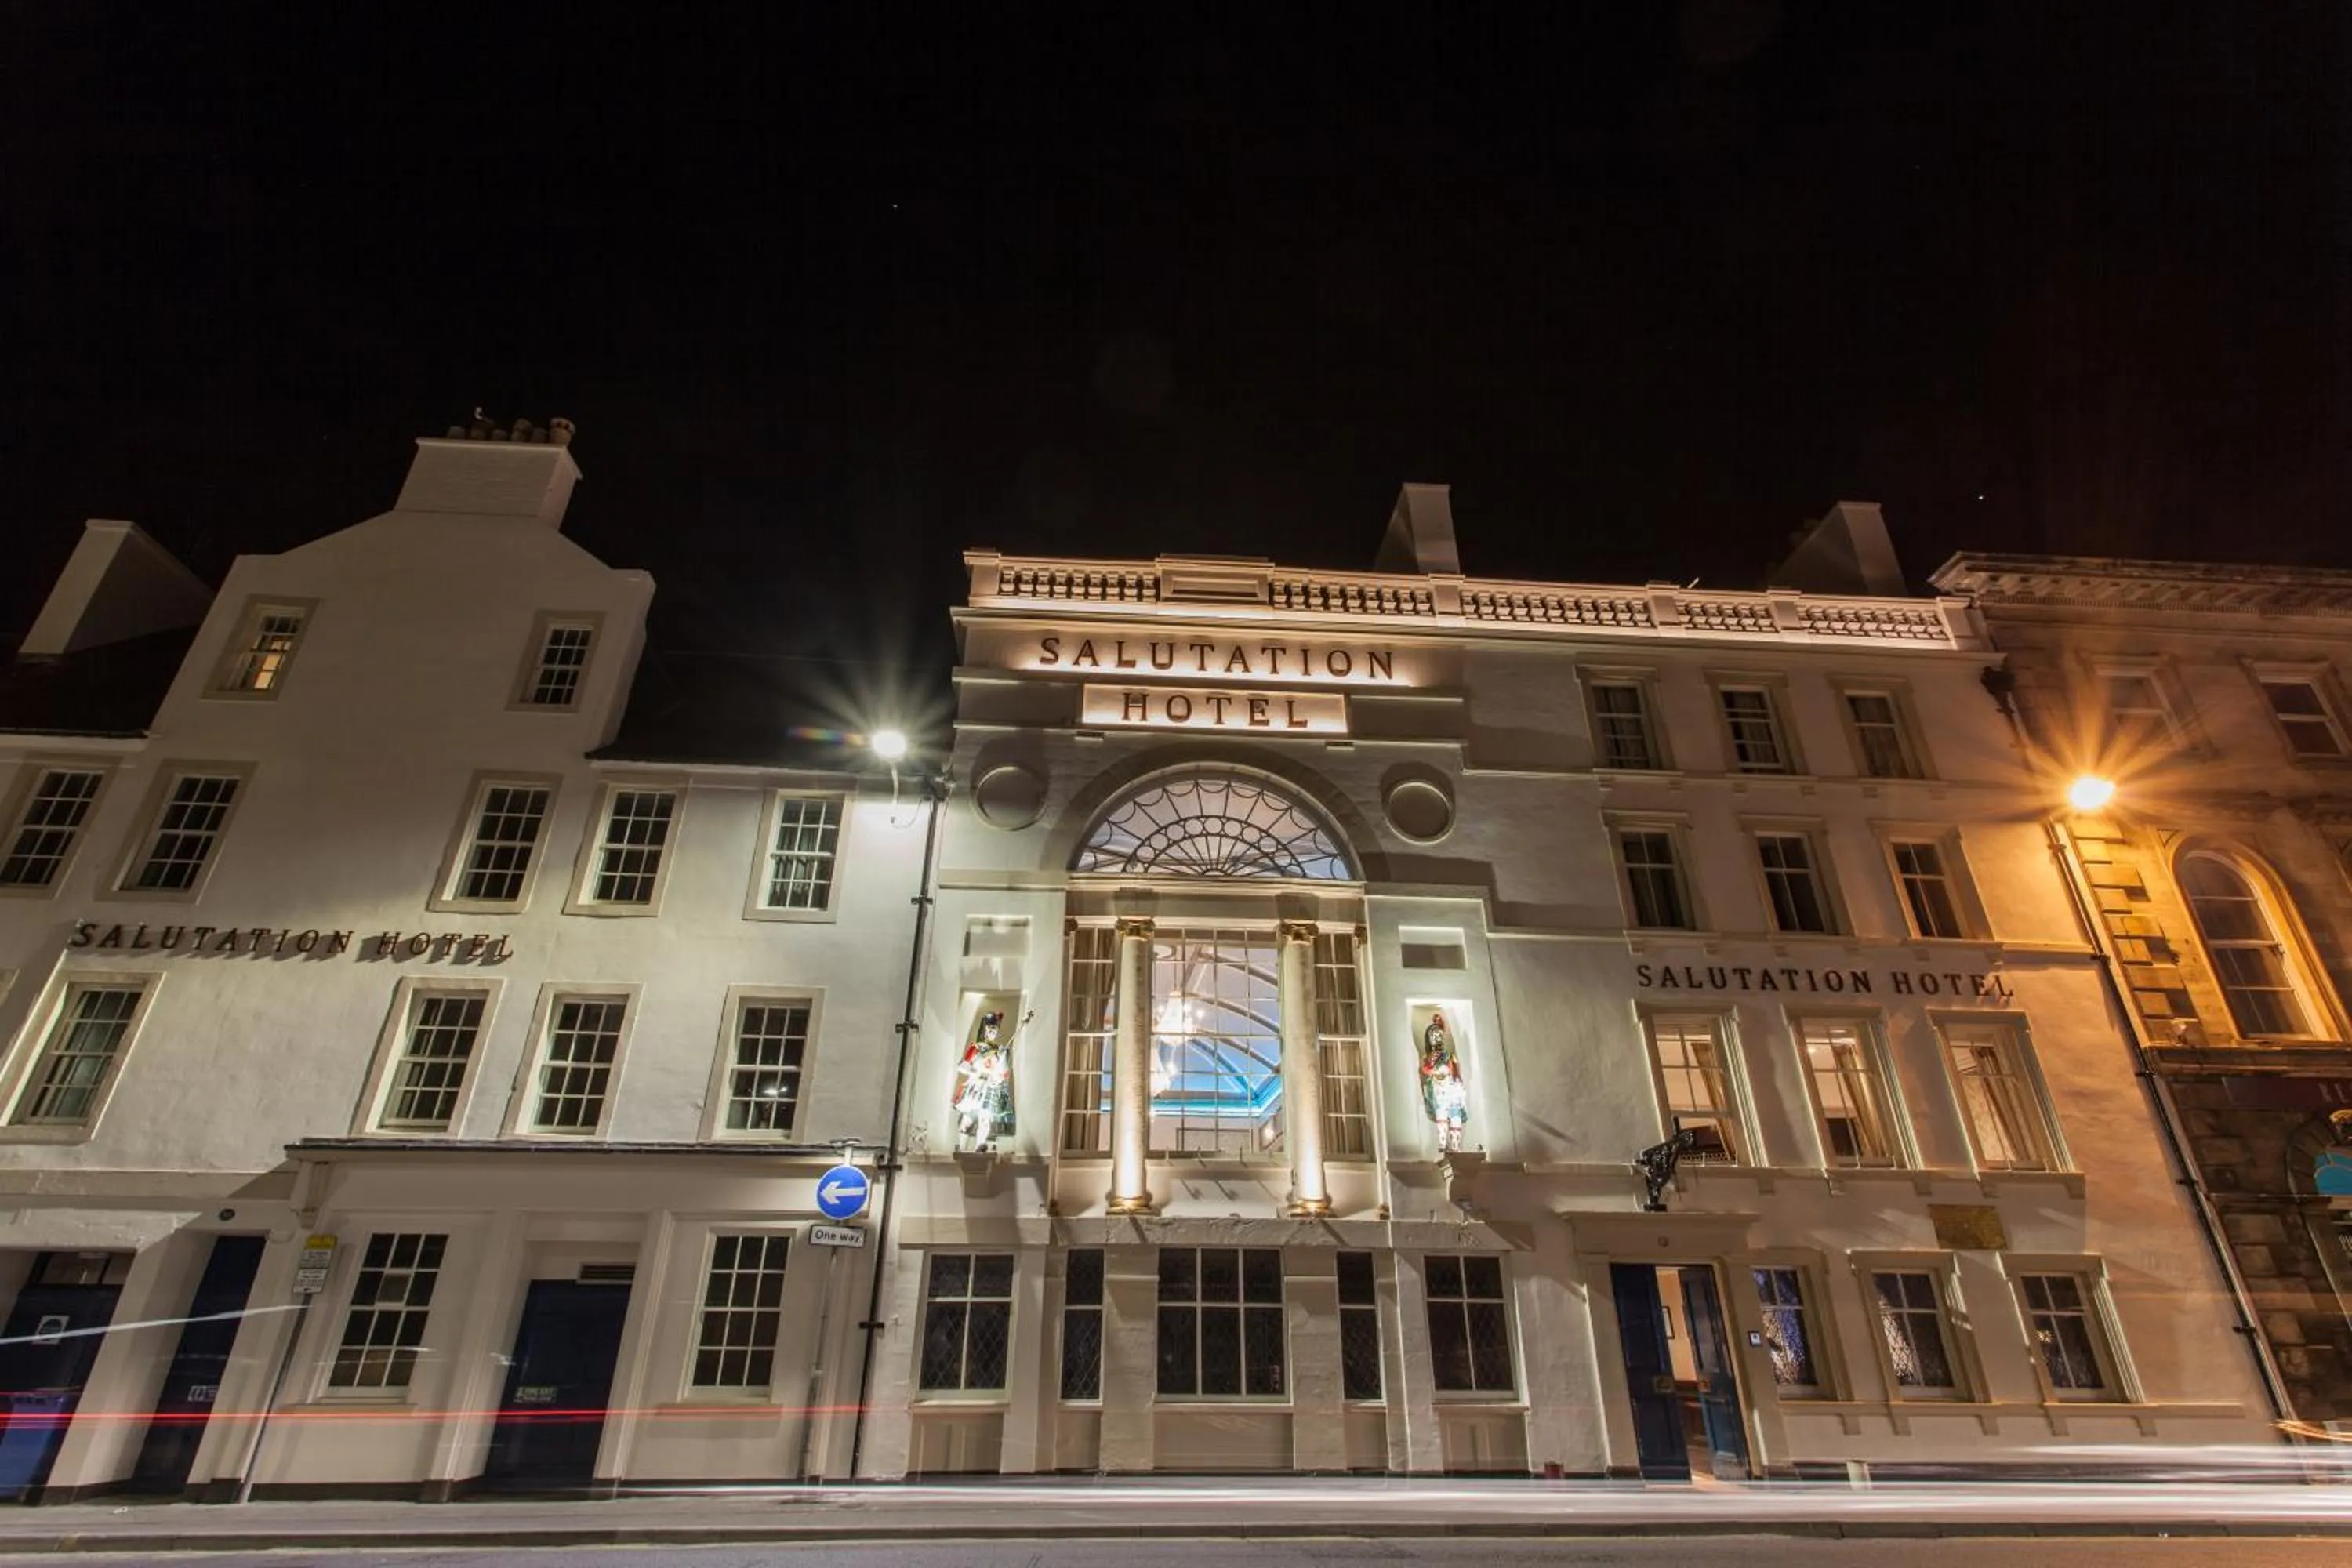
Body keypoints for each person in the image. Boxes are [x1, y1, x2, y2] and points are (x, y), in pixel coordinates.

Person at [954, 1010, 1014, 1149]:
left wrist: (1003, 1057)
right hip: (976, 1086)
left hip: (990, 1087)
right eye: (991, 1028)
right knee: (968, 1118)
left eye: (995, 1029)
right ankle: (962, 1148)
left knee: (985, 1119)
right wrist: (975, 1073)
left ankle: (980, 1146)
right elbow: (962, 1066)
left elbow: (1004, 1073)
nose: (993, 1032)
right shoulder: (976, 1047)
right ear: (985, 1028)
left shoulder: (1000, 1050)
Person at [1419, 1009, 1469, 1155]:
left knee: (1455, 1116)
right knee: (1441, 1115)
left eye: (1439, 1035)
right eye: (1434, 1036)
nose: (1437, 1038)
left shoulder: (1449, 1056)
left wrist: (1458, 1084)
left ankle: (1455, 1146)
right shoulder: (1427, 1058)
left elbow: (1457, 1073)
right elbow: (1426, 1070)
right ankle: (1442, 1143)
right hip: (1438, 1088)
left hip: (1451, 1088)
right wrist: (1435, 1069)